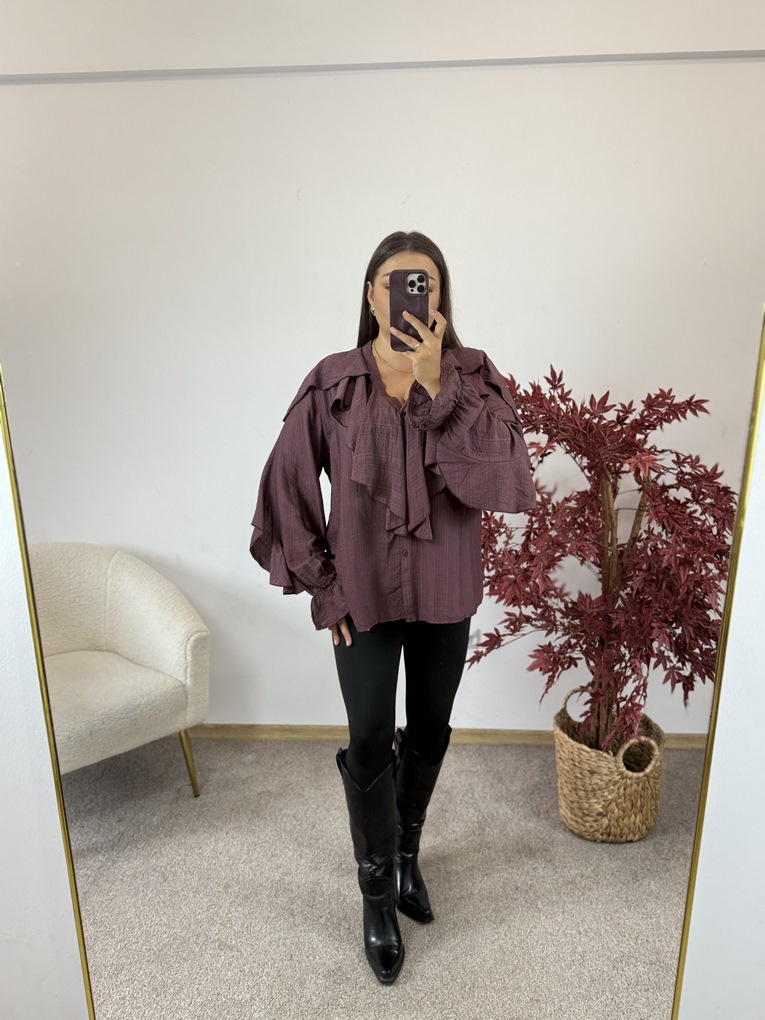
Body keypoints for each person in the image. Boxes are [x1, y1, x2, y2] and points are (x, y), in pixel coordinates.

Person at [250, 230, 536, 984]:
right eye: (397, 281)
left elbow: (504, 473)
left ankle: (407, 853)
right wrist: (325, 588)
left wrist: (438, 382)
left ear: (440, 297)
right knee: (371, 734)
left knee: (432, 725)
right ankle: (376, 893)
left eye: (426, 282)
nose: (412, 293)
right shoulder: (334, 382)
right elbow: (285, 484)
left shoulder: (474, 376)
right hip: (364, 591)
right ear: (371, 295)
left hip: (445, 585)